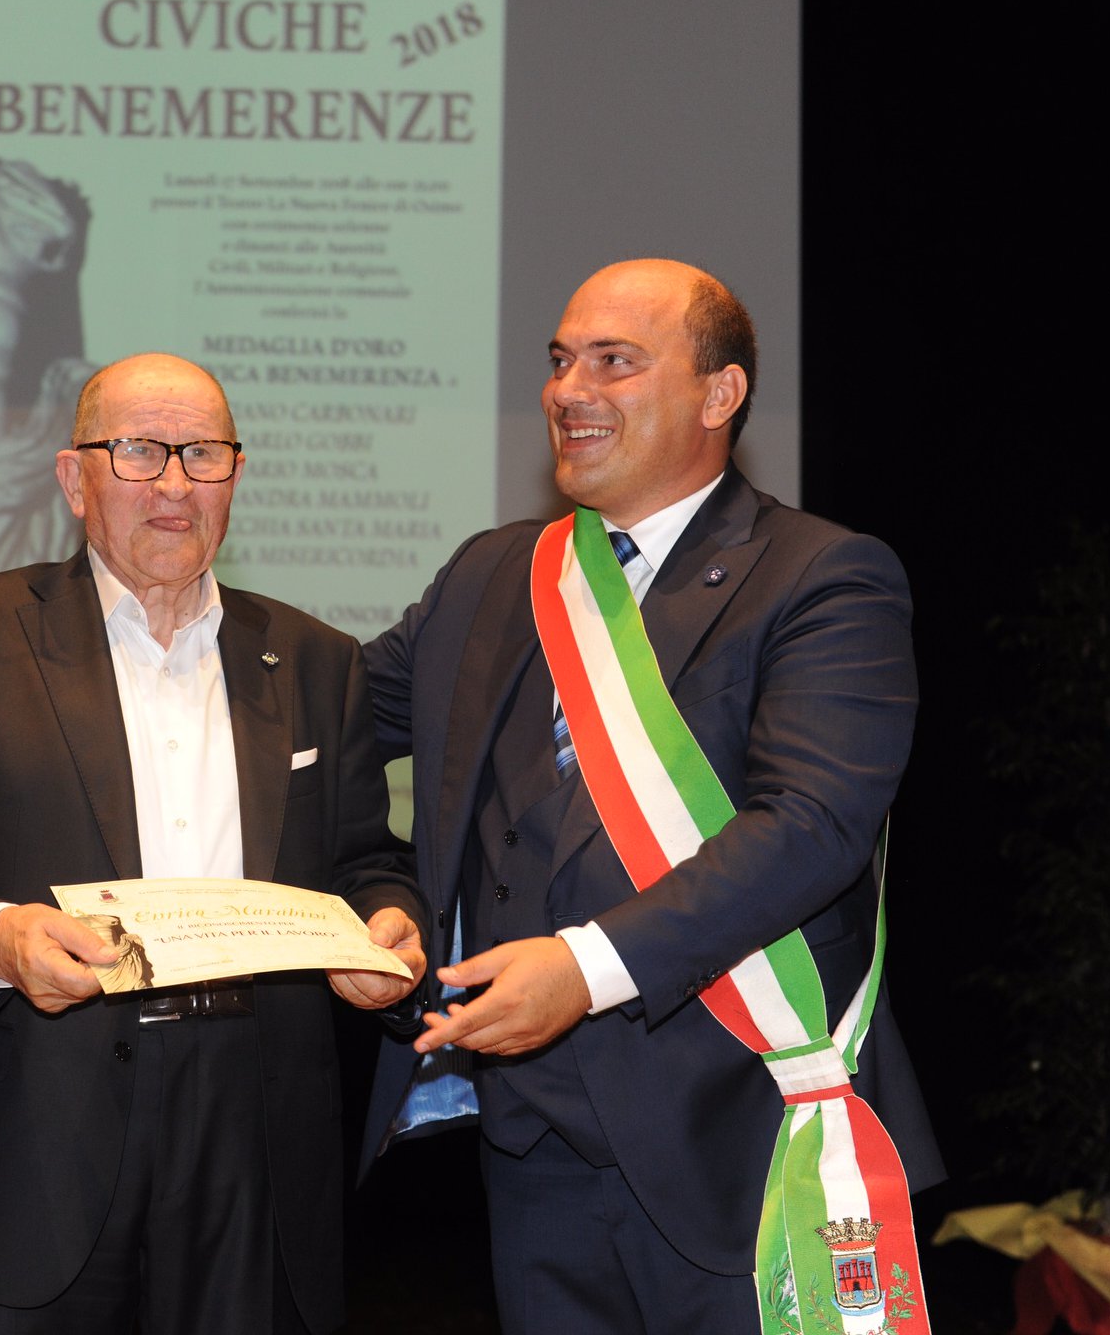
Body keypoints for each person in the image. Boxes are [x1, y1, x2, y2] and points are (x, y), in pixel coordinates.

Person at [361, 260, 943, 1331]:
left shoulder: (822, 577)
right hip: (530, 1151)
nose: (567, 390)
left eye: (613, 362)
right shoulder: (492, 575)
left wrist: (586, 969)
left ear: (720, 394)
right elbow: (325, 718)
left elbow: (811, 827)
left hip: (741, 1139)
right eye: (560, 361)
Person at [0, 352, 426, 1335]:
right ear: (75, 479)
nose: (174, 484)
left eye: (203, 455)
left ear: (236, 475)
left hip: (254, 1123)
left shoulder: (316, 659)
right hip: (34, 1115)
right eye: (140, 452)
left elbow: (365, 859)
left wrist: (390, 921)